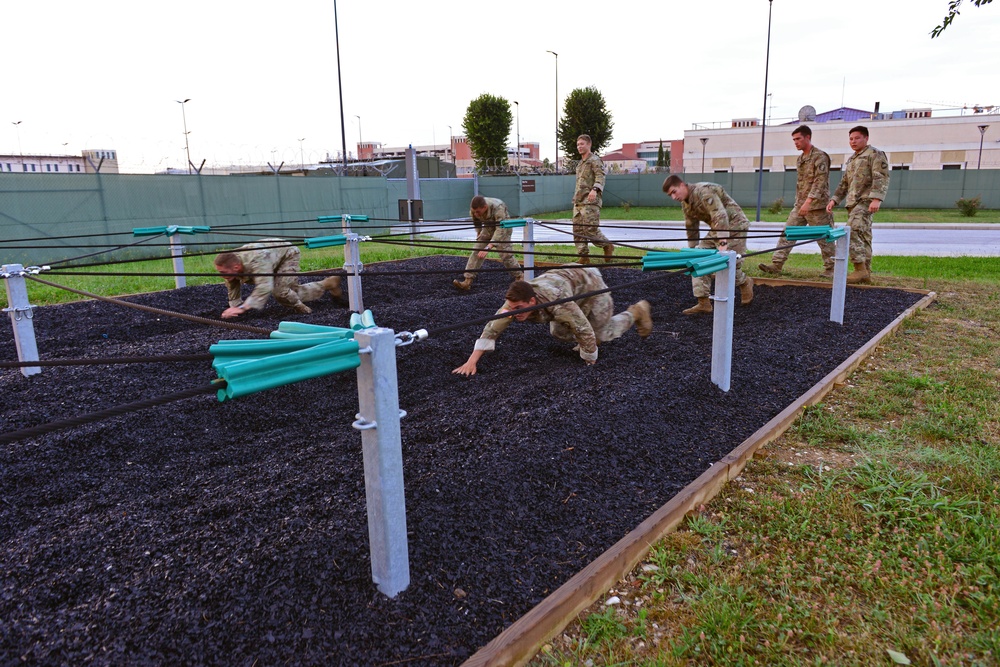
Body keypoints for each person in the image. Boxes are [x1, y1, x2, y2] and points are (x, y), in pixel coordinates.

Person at [451, 267, 652, 375]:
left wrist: (590, 361)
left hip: (592, 286)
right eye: (512, 309)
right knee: (558, 332)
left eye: (519, 309)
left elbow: (582, 328)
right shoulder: (512, 304)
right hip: (571, 287)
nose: (514, 314)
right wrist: (471, 362)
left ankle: (636, 312)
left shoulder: (557, 302)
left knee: (600, 333)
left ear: (532, 301)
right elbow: (492, 329)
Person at [662, 175, 754, 315]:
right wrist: (692, 251)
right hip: (718, 228)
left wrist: (722, 243)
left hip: (735, 226)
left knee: (728, 264)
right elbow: (691, 227)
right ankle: (703, 303)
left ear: (682, 185)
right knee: (698, 258)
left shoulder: (704, 191)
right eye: (670, 195)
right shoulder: (686, 203)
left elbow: (720, 215)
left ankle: (745, 282)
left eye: (674, 192)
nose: (674, 197)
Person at [758, 125, 837, 278]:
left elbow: (820, 182)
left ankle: (832, 268)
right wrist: (801, 203)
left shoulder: (820, 156)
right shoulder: (800, 159)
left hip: (817, 207)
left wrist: (809, 202)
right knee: (788, 233)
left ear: (808, 137)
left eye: (798, 139)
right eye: (794, 140)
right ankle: (776, 264)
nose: (796, 142)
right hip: (800, 206)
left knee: (824, 238)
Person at [213, 238, 342, 319]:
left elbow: (264, 286)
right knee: (291, 291)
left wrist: (241, 308)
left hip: (287, 255)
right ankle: (329, 283)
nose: (222, 275)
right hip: (271, 260)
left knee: (280, 291)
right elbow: (232, 286)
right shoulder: (230, 263)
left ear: (236, 267)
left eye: (223, 272)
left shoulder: (257, 260)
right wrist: (234, 310)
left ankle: (304, 310)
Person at [826, 125, 890, 284]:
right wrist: (834, 199)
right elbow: (845, 183)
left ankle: (859, 268)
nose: (853, 141)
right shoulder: (852, 159)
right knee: (864, 235)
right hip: (854, 203)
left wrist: (877, 198)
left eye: (857, 138)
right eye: (851, 139)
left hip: (866, 200)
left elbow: (880, 177)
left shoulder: (874, 154)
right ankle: (866, 273)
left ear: (866, 138)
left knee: (852, 229)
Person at [452, 195, 523, 291]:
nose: (476, 213)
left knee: (505, 255)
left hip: (503, 229)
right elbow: (476, 220)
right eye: (474, 211)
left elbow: (500, 229)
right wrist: (479, 231)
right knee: (476, 251)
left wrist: (489, 246)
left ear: (485, 207)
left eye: (478, 212)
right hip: (488, 228)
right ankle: (467, 281)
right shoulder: (475, 209)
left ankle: (520, 277)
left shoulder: (498, 207)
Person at [572, 134, 614, 264]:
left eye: (582, 144)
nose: (579, 147)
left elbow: (600, 177)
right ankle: (584, 257)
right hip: (579, 202)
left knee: (590, 230)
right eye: (578, 144)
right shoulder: (580, 164)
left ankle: (607, 245)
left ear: (589, 144)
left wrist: (595, 189)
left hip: (591, 201)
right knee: (577, 230)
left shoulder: (595, 160)